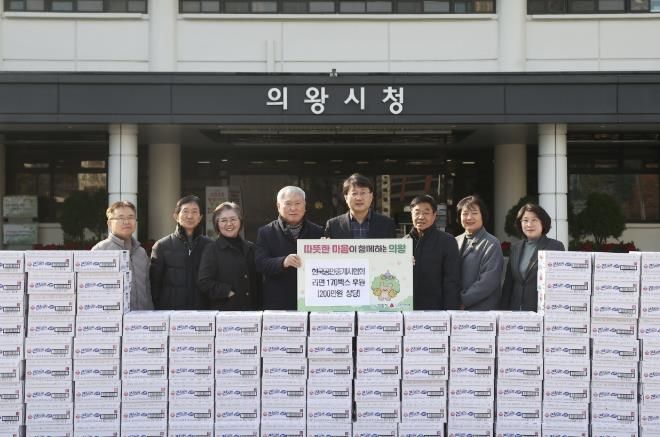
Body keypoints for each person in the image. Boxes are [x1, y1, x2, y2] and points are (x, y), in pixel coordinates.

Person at [255, 186, 323, 310]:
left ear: (305, 205)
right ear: (278, 206)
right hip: (279, 301)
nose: (293, 208)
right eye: (288, 204)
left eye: (297, 203)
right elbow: (260, 264)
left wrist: (328, 251)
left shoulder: (318, 231)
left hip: (311, 299)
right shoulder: (266, 232)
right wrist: (283, 262)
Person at [149, 195, 212, 310]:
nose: (190, 216)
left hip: (202, 312)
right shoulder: (162, 246)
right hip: (170, 312)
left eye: (194, 212)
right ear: (176, 216)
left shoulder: (210, 246)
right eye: (185, 211)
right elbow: (154, 284)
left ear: (200, 217)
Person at [500, 203, 565, 311]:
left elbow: (560, 282)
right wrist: (503, 310)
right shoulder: (515, 248)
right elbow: (509, 284)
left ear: (543, 222)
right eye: (525, 220)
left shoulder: (555, 246)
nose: (529, 224)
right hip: (515, 311)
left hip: (541, 311)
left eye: (534, 220)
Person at [197, 202, 260, 311]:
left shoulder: (251, 247)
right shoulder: (211, 249)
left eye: (233, 219)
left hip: (252, 311)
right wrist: (228, 291)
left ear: (240, 221)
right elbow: (204, 282)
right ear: (217, 224)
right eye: (223, 220)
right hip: (225, 312)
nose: (229, 224)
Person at [92, 200, 154, 310]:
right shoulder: (100, 251)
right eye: (120, 218)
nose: (126, 222)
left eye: (131, 217)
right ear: (109, 223)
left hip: (142, 316)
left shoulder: (141, 252)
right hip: (113, 317)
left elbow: (147, 288)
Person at [407, 195, 461, 310]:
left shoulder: (447, 241)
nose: (421, 217)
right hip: (408, 309)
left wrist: (450, 311)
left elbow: (451, 281)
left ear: (434, 215)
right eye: (417, 212)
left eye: (426, 213)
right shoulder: (403, 243)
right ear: (411, 214)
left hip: (437, 310)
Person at [455, 195, 503, 311]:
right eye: (465, 213)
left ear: (482, 215)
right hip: (456, 310)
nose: (469, 217)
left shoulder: (492, 243)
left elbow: (489, 281)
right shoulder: (454, 241)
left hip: (482, 310)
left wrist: (463, 300)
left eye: (474, 213)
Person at [324, 173, 396, 239]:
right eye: (354, 193)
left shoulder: (387, 224)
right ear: (346, 198)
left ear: (371, 196)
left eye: (363, 193)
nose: (359, 198)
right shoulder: (333, 225)